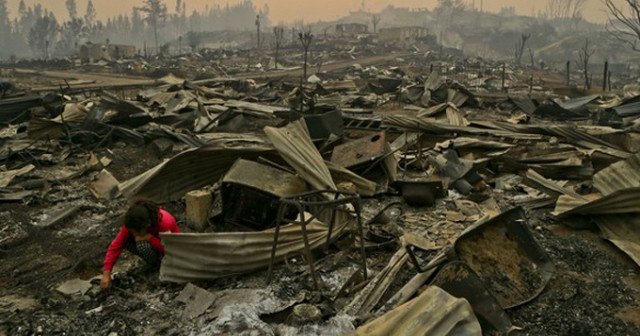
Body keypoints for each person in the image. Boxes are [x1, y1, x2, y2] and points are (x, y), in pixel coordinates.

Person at [100, 200, 180, 290]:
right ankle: (153, 262)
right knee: (125, 241)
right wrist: (106, 273)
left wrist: (150, 238)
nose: (134, 234)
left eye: (135, 232)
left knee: (142, 245)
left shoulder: (165, 223)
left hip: (171, 253)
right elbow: (116, 245)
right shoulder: (133, 223)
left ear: (147, 225)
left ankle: (157, 264)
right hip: (156, 246)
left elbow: (174, 249)